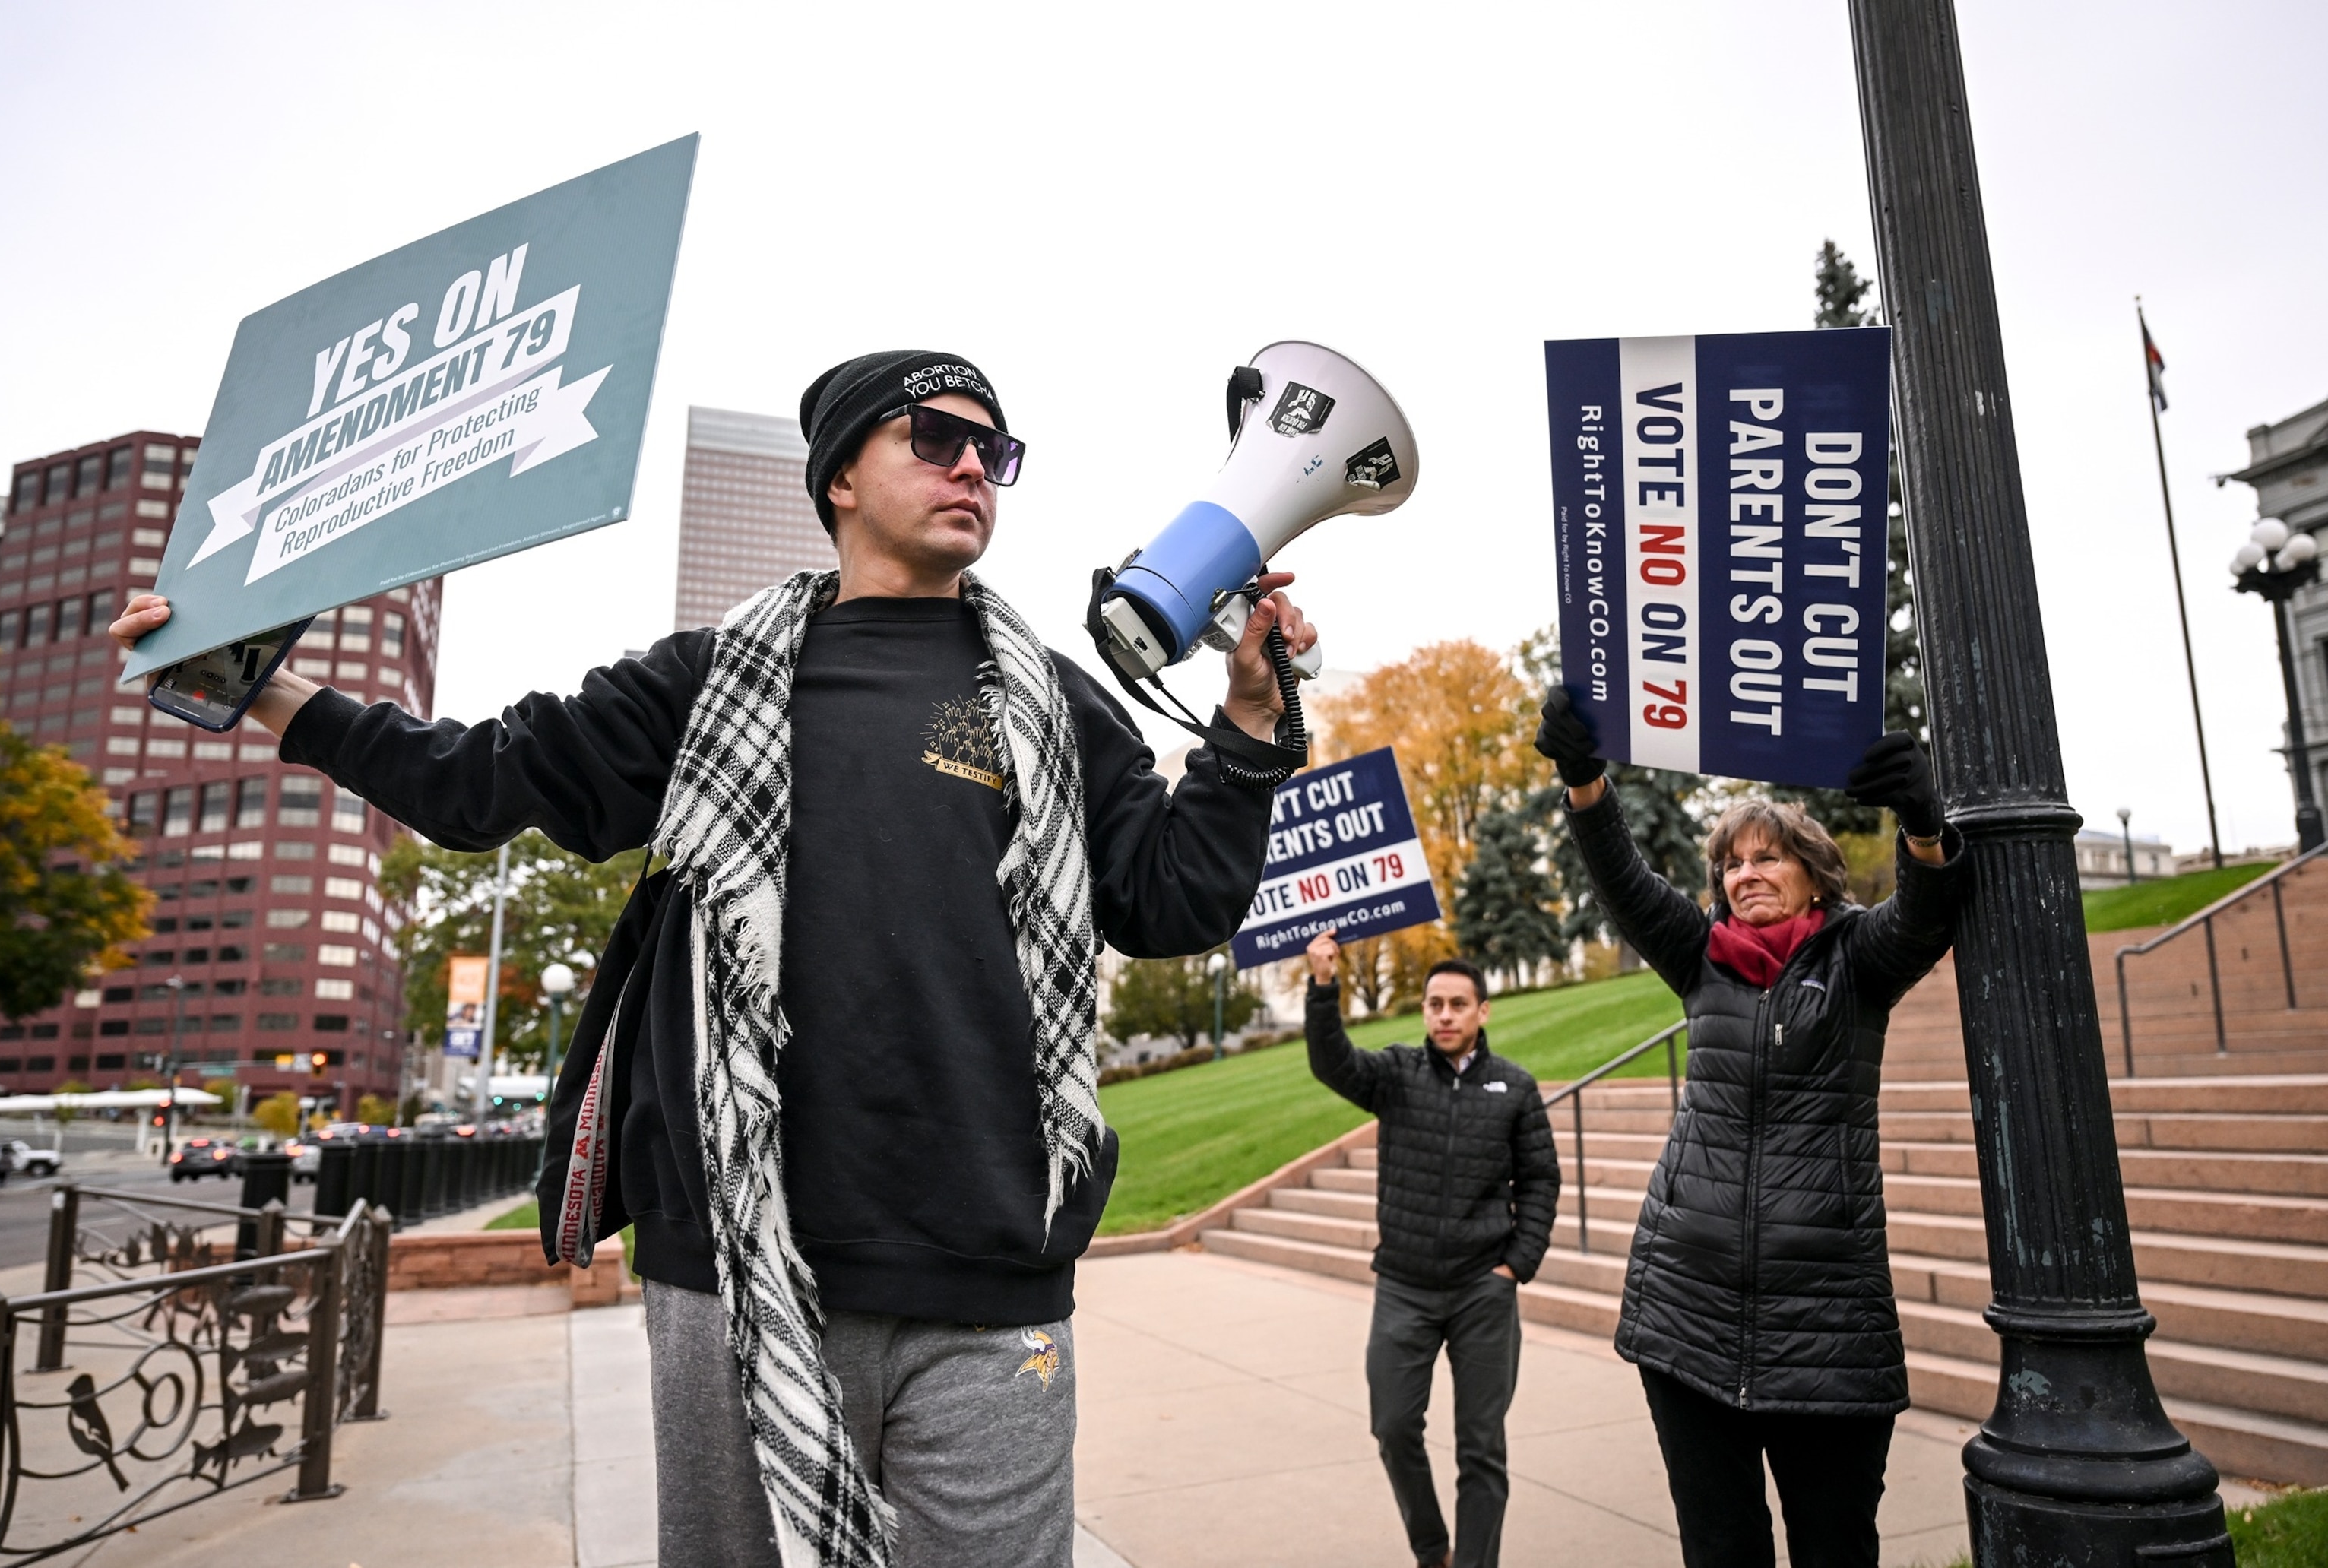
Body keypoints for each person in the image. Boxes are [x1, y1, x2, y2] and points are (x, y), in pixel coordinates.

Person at [112, 350, 1314, 1568]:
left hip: (991, 1263)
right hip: (729, 1259)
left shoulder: (1055, 700)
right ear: (840, 475)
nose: (972, 469)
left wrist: (1254, 721)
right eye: (935, 438)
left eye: (993, 453)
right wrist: (253, 686)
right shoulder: (705, 685)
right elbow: (471, 781)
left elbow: (1173, 899)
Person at [1531, 688, 1964, 1568]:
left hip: (1828, 1333)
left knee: (1834, 1548)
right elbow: (1624, 879)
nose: (1746, 873)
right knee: (1721, 1548)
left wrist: (1922, 821)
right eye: (1731, 863)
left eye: (1768, 857)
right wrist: (1584, 779)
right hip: (1685, 1321)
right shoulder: (1703, 958)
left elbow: (1926, 915)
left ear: (1814, 869)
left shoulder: (1857, 959)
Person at [1303, 935, 1560, 1568]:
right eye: (1434, 1004)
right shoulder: (1395, 1075)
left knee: (1481, 1448)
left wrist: (1514, 1266)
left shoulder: (1516, 1088)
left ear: (1482, 1012)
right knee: (1392, 1427)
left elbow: (1542, 1179)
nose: (1444, 1014)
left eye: (1457, 1004)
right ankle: (1430, 1549)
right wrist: (1323, 985)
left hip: (1483, 1290)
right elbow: (1333, 1063)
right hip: (1405, 1286)